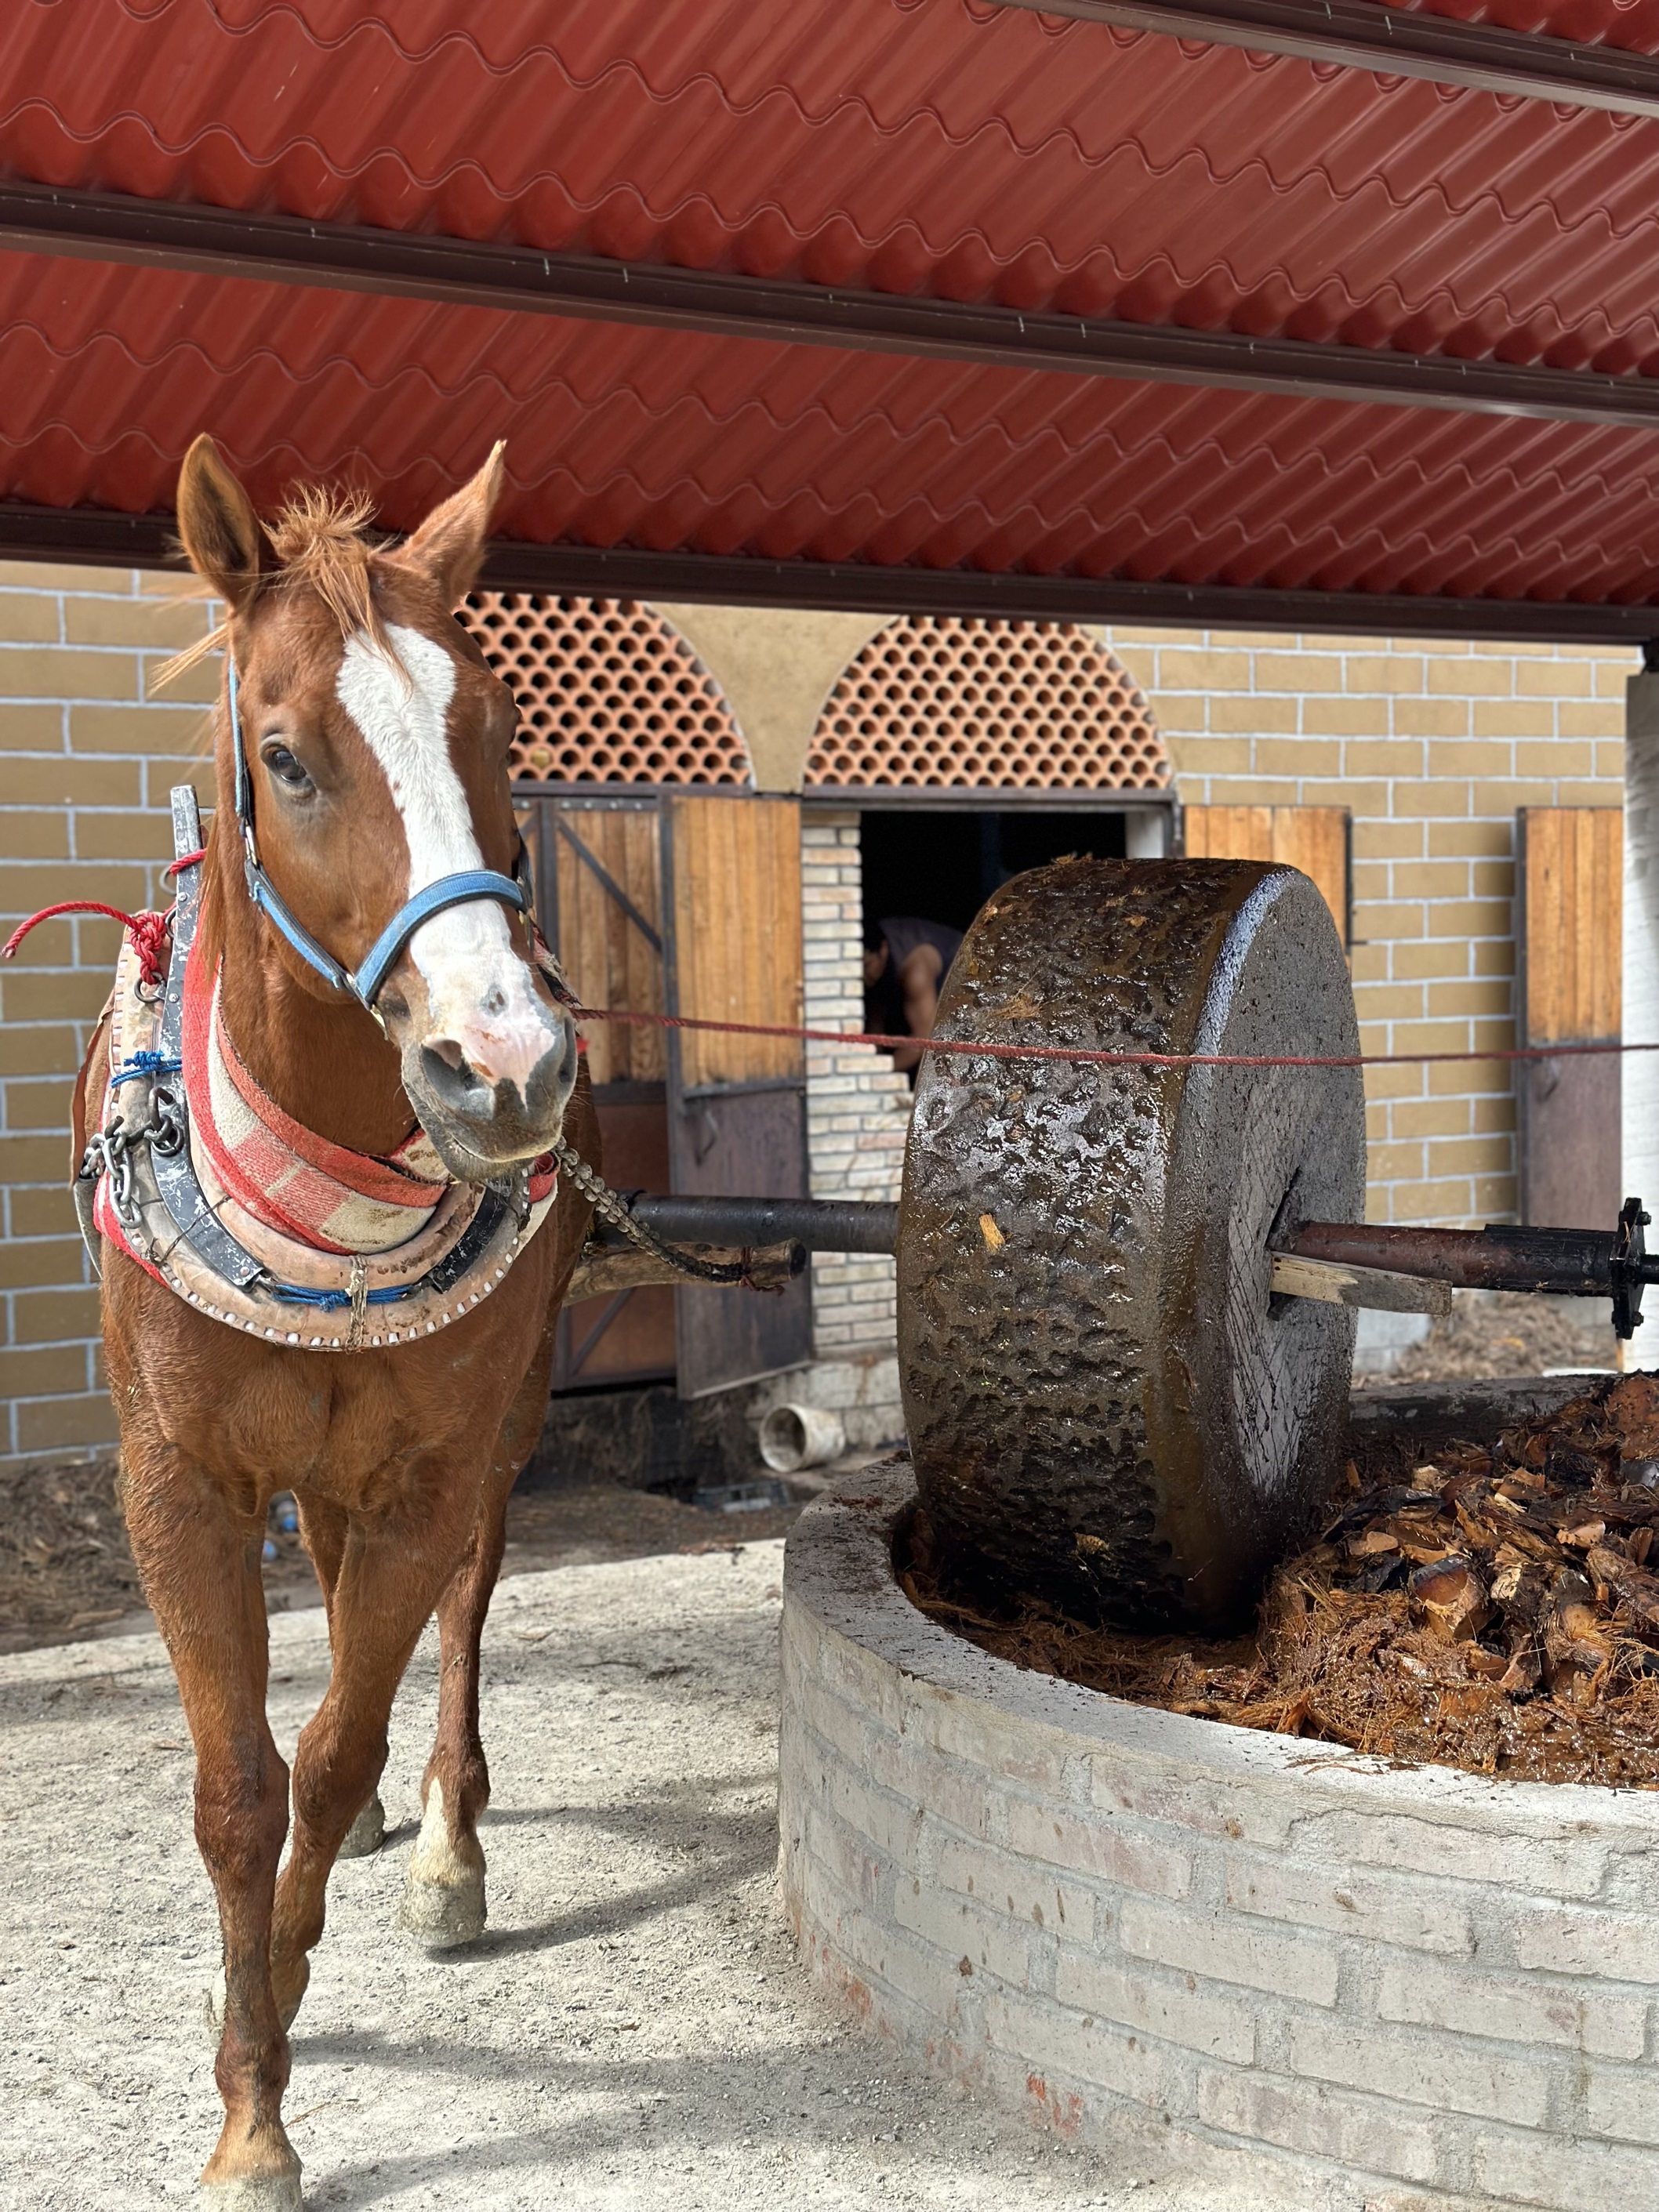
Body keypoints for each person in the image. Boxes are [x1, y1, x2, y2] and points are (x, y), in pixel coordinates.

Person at [862, 915, 964, 1078]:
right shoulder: (877, 955)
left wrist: (874, 1076)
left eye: (866, 966)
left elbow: (923, 1039)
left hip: (972, 989)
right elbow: (876, 1026)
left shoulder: (916, 972)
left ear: (883, 950)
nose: (862, 975)